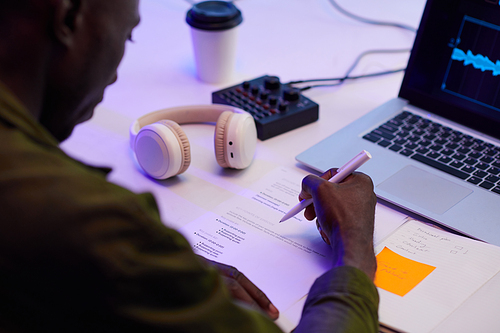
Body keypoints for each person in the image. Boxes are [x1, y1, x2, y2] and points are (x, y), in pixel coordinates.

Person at [0, 0, 379, 332]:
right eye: (127, 36)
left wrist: (159, 274)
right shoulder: (90, 221)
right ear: (68, 16)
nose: (115, 71)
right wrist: (356, 251)